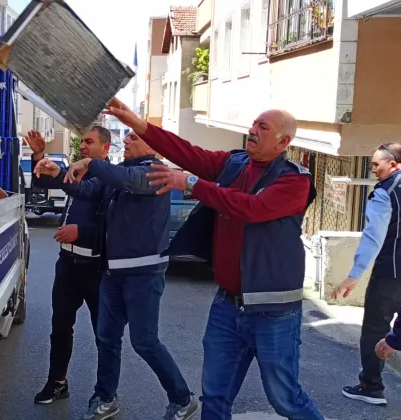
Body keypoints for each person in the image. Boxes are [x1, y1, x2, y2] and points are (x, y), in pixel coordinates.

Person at [103, 98, 323, 420]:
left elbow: (251, 208)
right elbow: (188, 153)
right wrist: (141, 126)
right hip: (227, 307)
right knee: (215, 398)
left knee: (284, 399)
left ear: (283, 141)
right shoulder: (234, 164)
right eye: (253, 124)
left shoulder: (295, 180)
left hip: (273, 311)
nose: (252, 130)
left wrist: (190, 182)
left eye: (263, 127)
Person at [33, 131, 199, 420]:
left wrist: (91, 163)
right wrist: (58, 172)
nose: (128, 141)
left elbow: (129, 181)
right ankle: (105, 398)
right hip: (112, 274)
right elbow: (85, 190)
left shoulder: (156, 172)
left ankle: (182, 398)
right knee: (107, 338)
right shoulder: (119, 171)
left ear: (153, 146)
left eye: (134, 137)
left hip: (144, 274)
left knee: (145, 342)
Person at [23, 127, 110, 405]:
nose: (83, 146)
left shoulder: (109, 179)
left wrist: (80, 231)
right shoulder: (77, 170)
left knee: (104, 334)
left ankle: (106, 392)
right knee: (60, 327)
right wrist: (39, 155)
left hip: (96, 269)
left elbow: (113, 227)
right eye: (82, 141)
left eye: (90, 142)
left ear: (106, 148)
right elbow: (45, 183)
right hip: (67, 265)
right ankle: (57, 383)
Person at [332, 143, 401, 406]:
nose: (372, 169)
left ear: (392, 164)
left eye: (376, 164)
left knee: (375, 328)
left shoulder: (386, 192)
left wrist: (354, 274)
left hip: (391, 273)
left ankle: (371, 386)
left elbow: (374, 236)